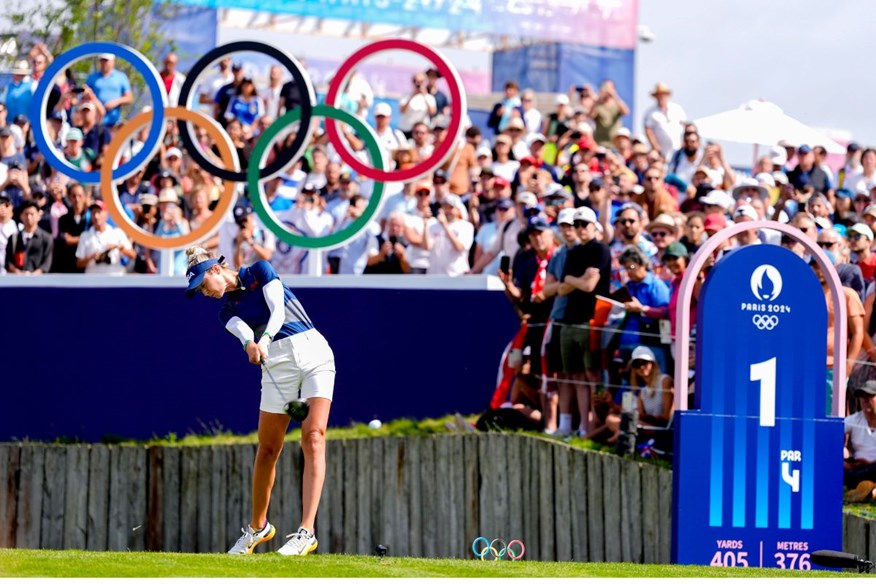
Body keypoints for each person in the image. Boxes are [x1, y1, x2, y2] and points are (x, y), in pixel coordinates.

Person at [183, 247, 335, 556]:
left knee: (314, 437)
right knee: (267, 449)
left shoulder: (260, 271)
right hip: (276, 366)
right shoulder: (225, 311)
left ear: (215, 270)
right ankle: (258, 527)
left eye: (202, 284)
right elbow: (242, 334)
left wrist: (261, 341)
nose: (203, 292)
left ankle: (306, 532)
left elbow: (277, 310)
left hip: (314, 352)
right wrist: (250, 345)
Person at [844, 381, 876, 501]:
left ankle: (870, 493)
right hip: (858, 470)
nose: (865, 400)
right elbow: (833, 430)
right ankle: (867, 491)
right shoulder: (855, 420)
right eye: (862, 397)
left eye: (870, 396)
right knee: (840, 470)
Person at [4, 201, 52, 274]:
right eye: (26, 214)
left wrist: (33, 275)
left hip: (39, 281)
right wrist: (18, 273)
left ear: (39, 216)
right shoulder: (14, 238)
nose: (29, 217)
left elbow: (46, 264)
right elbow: (8, 262)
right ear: (21, 216)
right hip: (17, 281)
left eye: (32, 214)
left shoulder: (47, 238)